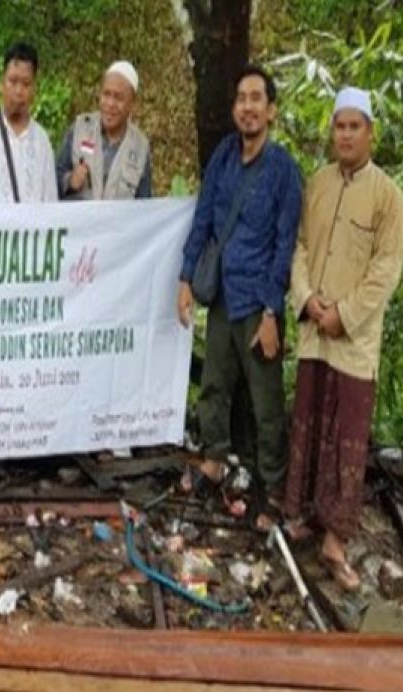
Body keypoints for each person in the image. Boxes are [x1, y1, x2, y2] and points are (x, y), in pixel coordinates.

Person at [283, 88, 403, 590]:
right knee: (309, 423)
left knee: (346, 439)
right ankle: (300, 516)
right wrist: (308, 299)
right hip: (315, 329)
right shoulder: (318, 184)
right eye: (340, 126)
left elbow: (387, 268)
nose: (347, 135)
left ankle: (336, 540)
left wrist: (344, 314)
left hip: (352, 340)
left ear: (370, 133)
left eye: (356, 127)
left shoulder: (388, 195)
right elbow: (302, 246)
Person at [177, 65, 302, 529]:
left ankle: (270, 491)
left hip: (259, 302)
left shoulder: (284, 170)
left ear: (270, 109)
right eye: (241, 98)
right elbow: (204, 219)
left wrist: (273, 311)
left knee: (265, 404)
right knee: (214, 386)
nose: (248, 107)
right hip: (224, 297)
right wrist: (186, 278)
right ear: (234, 109)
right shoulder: (224, 157)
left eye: (256, 98)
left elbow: (285, 244)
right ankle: (214, 461)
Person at [0, 42, 57, 204]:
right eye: (13, 82)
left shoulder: (42, 142)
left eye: (26, 84)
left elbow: (50, 201)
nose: (18, 91)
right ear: (2, 84)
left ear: (34, 89)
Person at [56, 60, 152, 201]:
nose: (110, 104)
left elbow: (144, 207)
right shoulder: (80, 129)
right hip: (80, 222)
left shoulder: (140, 148)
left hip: (118, 223)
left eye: (118, 98)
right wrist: (70, 180)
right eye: (106, 94)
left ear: (132, 104)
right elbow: (51, 182)